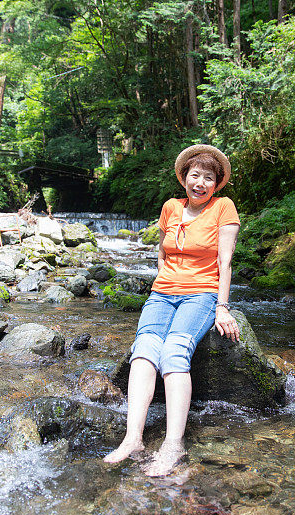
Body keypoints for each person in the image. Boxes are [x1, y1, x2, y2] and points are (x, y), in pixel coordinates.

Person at [103, 144, 241, 477]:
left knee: (174, 352)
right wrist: (165, 276)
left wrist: (222, 307)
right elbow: (162, 252)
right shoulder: (170, 207)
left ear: (216, 183)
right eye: (195, 175)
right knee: (144, 351)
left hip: (201, 294)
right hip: (162, 294)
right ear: (184, 178)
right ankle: (133, 438)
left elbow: (225, 261)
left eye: (209, 177)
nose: (201, 182)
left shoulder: (224, 207)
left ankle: (173, 444)